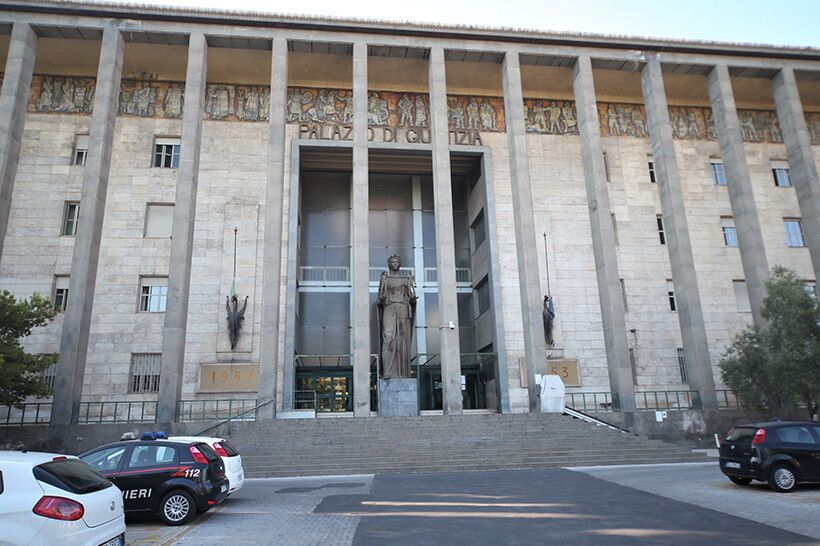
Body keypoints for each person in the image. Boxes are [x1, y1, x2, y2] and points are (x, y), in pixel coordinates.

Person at [377, 255, 416, 379]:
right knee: (388, 338)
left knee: (402, 341)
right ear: (389, 264)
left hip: (403, 308)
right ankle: (387, 372)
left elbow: (411, 297)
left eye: (397, 261)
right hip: (389, 308)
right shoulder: (385, 278)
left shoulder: (406, 279)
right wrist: (382, 300)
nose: (395, 263)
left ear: (400, 264)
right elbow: (379, 300)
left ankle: (403, 373)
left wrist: (412, 296)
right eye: (392, 262)